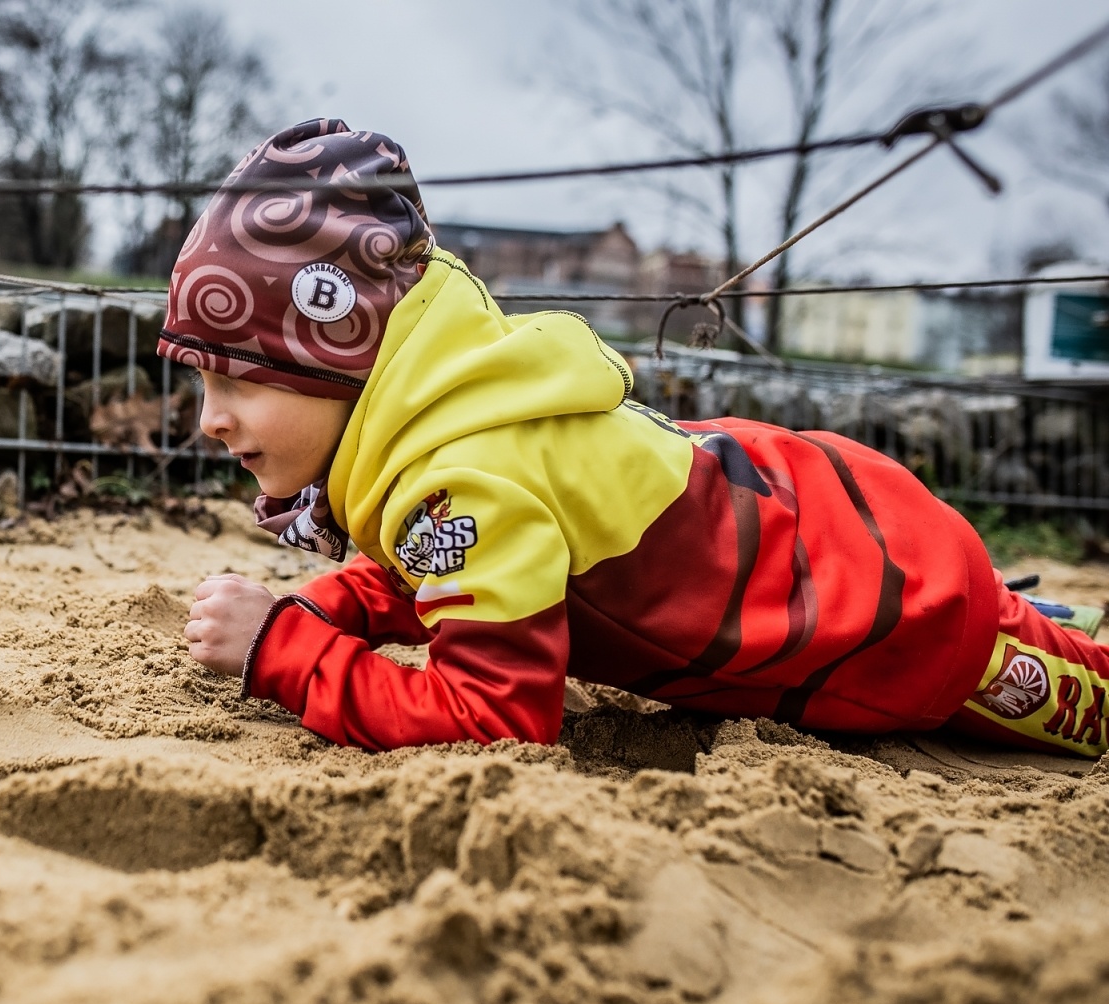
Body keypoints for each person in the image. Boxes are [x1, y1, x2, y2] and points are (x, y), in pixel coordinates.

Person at [164, 118, 1109, 758]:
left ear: (340, 361)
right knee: (1061, 635)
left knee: (1090, 701)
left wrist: (286, 650)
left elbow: (494, 716)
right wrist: (342, 606)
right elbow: (448, 570)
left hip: (890, 620)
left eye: (238, 375)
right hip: (823, 516)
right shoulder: (447, 431)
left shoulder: (461, 481)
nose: (211, 415)